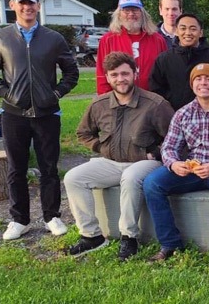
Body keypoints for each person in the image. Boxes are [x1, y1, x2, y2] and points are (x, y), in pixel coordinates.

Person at [0, 0, 79, 240]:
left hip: (47, 114)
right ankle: (19, 219)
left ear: (38, 6)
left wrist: (55, 94)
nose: (27, 7)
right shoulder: (0, 38)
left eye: (31, 3)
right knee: (16, 168)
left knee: (49, 167)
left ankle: (52, 216)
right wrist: (6, 93)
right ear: (13, 5)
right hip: (14, 114)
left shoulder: (53, 39)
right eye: (21, 3)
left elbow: (71, 73)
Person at [64, 52, 174, 260]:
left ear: (135, 73)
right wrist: (100, 147)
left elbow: (176, 136)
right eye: (114, 75)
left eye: (125, 73)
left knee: (131, 177)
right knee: (73, 178)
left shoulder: (155, 104)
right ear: (107, 77)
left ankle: (129, 237)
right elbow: (83, 133)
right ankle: (91, 236)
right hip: (111, 162)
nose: (120, 79)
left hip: (144, 162)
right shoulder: (99, 105)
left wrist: (158, 152)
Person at [143, 63, 209, 268]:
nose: (203, 83)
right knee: (152, 183)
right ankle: (170, 244)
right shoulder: (183, 114)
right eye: (198, 79)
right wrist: (174, 163)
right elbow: (169, 147)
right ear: (192, 84)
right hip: (192, 169)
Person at [149, 13, 209, 111]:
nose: (188, 33)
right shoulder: (164, 60)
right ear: (176, 31)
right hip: (172, 116)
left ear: (201, 32)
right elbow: (156, 91)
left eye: (193, 29)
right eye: (183, 28)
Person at [96, 0, 167, 94]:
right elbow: (101, 74)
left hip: (151, 100)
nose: (131, 14)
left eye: (135, 10)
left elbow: (165, 73)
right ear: (119, 14)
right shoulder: (107, 40)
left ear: (142, 13)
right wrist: (106, 101)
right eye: (126, 10)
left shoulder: (157, 40)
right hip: (119, 99)